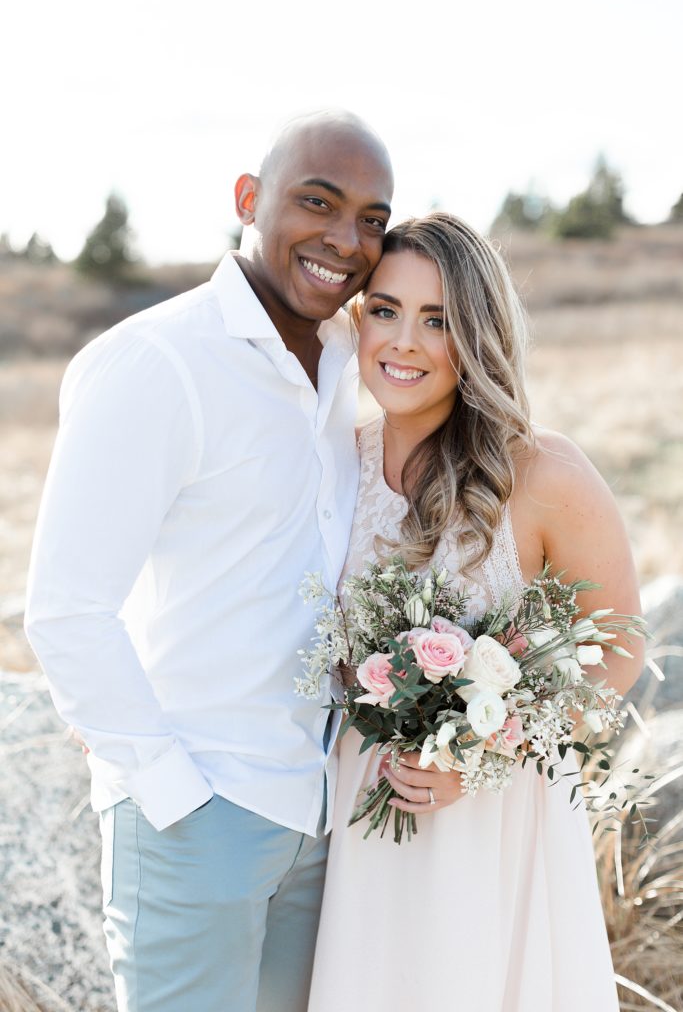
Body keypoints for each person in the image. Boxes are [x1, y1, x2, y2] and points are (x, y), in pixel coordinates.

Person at [23, 111, 457, 1012]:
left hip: (321, 812)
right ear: (248, 202)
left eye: (371, 218)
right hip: (199, 812)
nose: (345, 240)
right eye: (317, 202)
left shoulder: (352, 360)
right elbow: (66, 612)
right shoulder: (155, 363)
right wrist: (172, 795)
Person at [307, 212, 644, 1012]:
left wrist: (487, 746)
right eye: (384, 310)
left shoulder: (541, 471)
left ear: (479, 335)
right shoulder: (326, 463)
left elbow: (620, 646)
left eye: (439, 320)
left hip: (495, 820)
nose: (404, 342)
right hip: (356, 812)